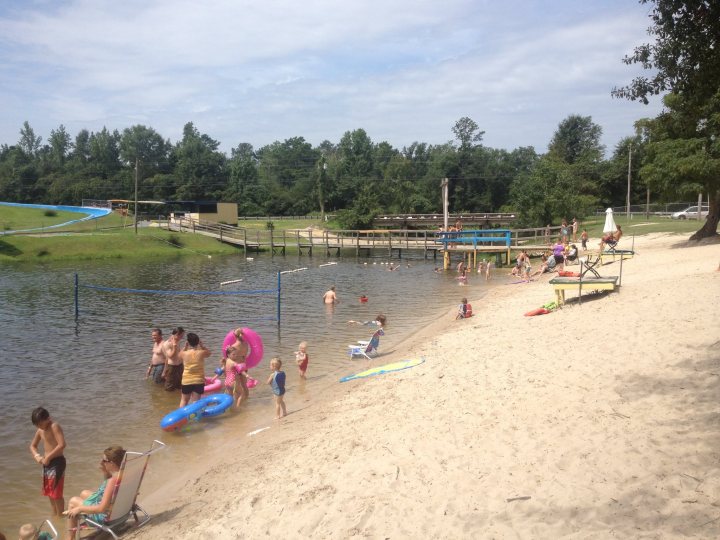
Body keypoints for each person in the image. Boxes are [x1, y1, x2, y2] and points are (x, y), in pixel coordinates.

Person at [65, 446, 126, 539]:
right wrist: (106, 473)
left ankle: (70, 538)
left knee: (73, 501)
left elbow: (101, 509)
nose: (102, 462)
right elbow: (110, 492)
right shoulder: (126, 473)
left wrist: (79, 509)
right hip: (122, 511)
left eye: (104, 460)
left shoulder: (113, 481)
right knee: (84, 493)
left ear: (112, 463)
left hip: (107, 517)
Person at [29, 407, 66, 517]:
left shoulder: (54, 426)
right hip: (47, 463)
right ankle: (55, 514)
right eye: (37, 425)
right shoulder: (40, 430)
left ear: (48, 418)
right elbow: (32, 446)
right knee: (49, 492)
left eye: (40, 424)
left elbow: (62, 445)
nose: (39, 427)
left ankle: (60, 516)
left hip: (57, 462)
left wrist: (48, 457)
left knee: (56, 493)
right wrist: (37, 456)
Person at [178, 332, 211, 407]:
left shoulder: (184, 353)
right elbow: (209, 353)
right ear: (198, 342)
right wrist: (202, 346)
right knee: (196, 402)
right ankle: (196, 418)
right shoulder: (201, 352)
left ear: (188, 342)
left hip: (186, 380)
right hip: (198, 380)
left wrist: (185, 347)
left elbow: (179, 355)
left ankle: (182, 418)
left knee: (184, 400)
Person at [162, 327, 185, 391]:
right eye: (181, 336)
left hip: (180, 365)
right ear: (176, 334)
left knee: (180, 384)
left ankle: (177, 398)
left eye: (182, 336)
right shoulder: (167, 343)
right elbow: (170, 356)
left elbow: (179, 353)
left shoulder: (177, 340)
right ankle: (168, 399)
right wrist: (174, 346)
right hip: (172, 367)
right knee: (169, 386)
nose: (182, 338)